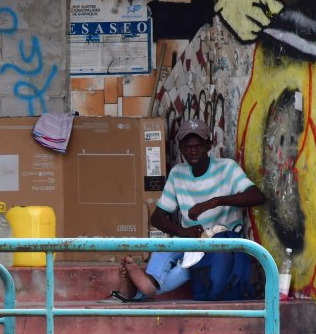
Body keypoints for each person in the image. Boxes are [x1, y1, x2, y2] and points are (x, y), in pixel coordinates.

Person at [111, 119, 266, 302]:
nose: (193, 150)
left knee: (187, 266)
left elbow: (258, 196)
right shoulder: (178, 173)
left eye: (198, 145)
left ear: (209, 145)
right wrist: (183, 232)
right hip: (190, 240)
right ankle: (148, 283)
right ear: (181, 148)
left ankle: (140, 291)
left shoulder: (227, 168)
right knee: (165, 248)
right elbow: (158, 218)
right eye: (187, 146)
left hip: (218, 245)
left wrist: (214, 201)